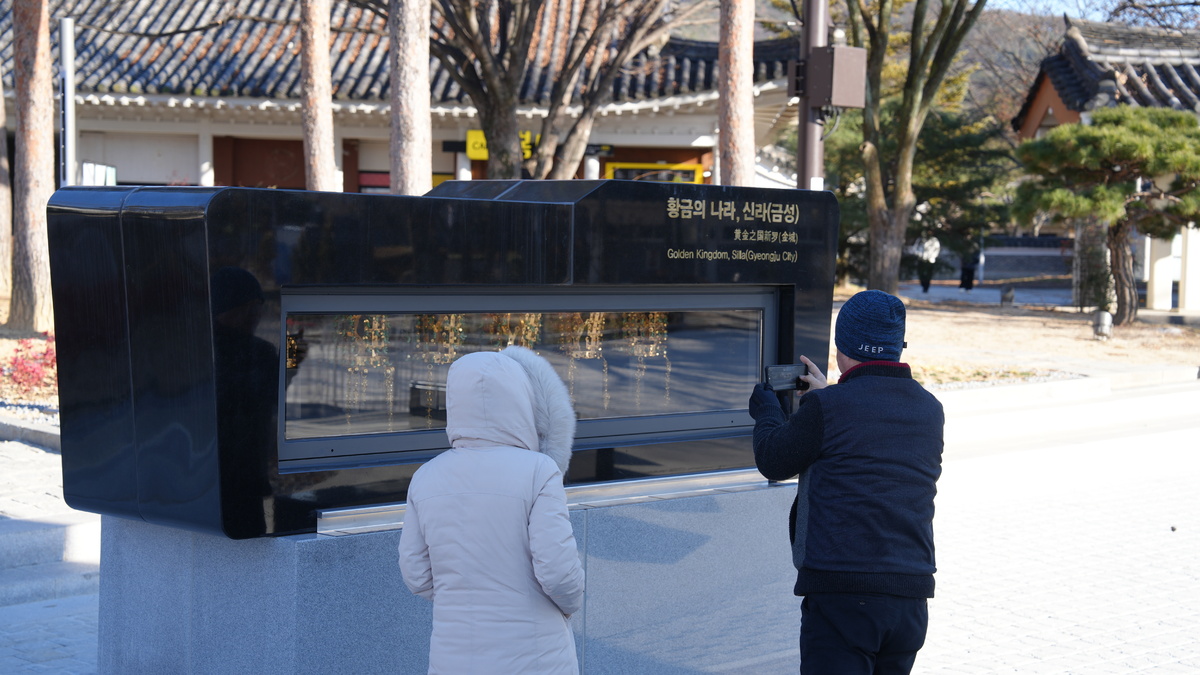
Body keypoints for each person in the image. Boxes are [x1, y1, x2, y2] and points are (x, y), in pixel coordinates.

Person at [748, 290, 944, 675]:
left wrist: (768, 411)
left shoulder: (829, 408)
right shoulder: (929, 409)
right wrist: (827, 398)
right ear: (898, 348)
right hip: (909, 599)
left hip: (844, 598)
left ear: (842, 347)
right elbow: (869, 426)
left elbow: (773, 460)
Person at [398, 346, 585, 675]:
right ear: (520, 400)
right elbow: (558, 572)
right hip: (534, 655)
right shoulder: (539, 471)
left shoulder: (426, 476)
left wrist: (461, 599)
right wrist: (570, 605)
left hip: (454, 657)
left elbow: (416, 573)